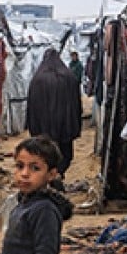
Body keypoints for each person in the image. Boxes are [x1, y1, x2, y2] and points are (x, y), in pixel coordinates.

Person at [26, 48, 82, 181]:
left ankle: (46, 177)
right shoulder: (69, 77)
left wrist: (33, 126)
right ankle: (59, 174)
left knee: (44, 154)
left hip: (43, 129)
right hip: (64, 126)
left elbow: (32, 106)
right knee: (63, 153)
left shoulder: (37, 79)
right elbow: (76, 104)